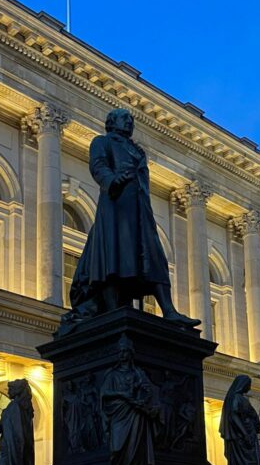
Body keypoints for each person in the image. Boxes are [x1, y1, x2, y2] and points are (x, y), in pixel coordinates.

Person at [65, 108, 199, 328]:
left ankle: (169, 310)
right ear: (112, 122)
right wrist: (113, 179)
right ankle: (113, 309)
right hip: (115, 204)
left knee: (154, 255)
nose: (129, 122)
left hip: (139, 209)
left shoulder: (137, 150)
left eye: (131, 119)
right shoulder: (102, 142)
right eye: (124, 118)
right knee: (114, 256)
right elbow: (98, 166)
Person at [99, 335, 159, 465]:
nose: (123, 354)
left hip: (136, 416)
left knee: (136, 449)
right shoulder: (112, 374)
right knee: (116, 449)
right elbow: (104, 394)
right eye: (120, 352)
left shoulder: (138, 373)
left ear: (131, 353)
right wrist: (123, 395)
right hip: (118, 415)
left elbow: (149, 391)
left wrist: (141, 401)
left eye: (126, 351)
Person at [219, 375, 260, 465]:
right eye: (248, 384)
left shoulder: (239, 398)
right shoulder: (237, 398)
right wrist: (245, 434)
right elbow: (234, 416)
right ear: (243, 384)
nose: (250, 387)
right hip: (243, 440)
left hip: (247, 438)